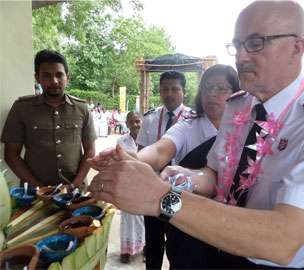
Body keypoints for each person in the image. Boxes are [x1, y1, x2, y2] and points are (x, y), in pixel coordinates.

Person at [88, 1, 304, 269]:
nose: (241, 56)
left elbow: (284, 240)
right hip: (222, 254)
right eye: (237, 45)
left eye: (256, 43)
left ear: (296, 48)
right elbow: (216, 175)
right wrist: (188, 179)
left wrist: (159, 197)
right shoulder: (239, 105)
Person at [89, 64, 240, 268]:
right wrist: (132, 160)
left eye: (222, 88)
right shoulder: (188, 125)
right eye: (207, 87)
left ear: (237, 93)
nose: (213, 94)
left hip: (231, 221)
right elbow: (160, 151)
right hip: (184, 212)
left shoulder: (245, 130)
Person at [1, 49, 96, 188]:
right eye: (46, 75)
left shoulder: (81, 108)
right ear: (37, 78)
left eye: (59, 75)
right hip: (34, 195)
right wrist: (39, 188)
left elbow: (90, 151)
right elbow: (11, 154)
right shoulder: (21, 108)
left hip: (75, 193)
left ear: (67, 78)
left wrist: (73, 185)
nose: (54, 81)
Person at [136, 70, 194, 269]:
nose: (169, 94)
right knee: (153, 242)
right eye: (165, 89)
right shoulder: (150, 118)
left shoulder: (193, 119)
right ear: (160, 91)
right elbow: (141, 153)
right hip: (152, 189)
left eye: (175, 89)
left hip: (178, 192)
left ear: (184, 91)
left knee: (177, 242)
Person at [116, 111, 146, 264]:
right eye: (131, 122)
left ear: (142, 122)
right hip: (127, 185)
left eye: (138, 121)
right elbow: (118, 161)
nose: (135, 125)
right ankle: (126, 249)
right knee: (127, 217)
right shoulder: (121, 141)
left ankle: (146, 246)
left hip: (144, 185)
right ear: (126, 124)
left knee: (144, 217)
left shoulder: (149, 140)